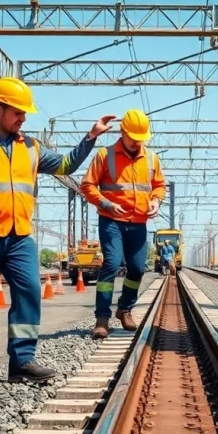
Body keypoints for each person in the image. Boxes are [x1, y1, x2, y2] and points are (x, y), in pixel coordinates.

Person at [0, 76, 115, 390]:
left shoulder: (31, 147)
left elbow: (64, 166)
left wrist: (90, 137)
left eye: (24, 113)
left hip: (19, 236)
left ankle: (22, 361)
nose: (23, 118)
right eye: (18, 112)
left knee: (30, 292)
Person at [80, 108, 167, 339]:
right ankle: (101, 318)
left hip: (138, 222)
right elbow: (87, 186)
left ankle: (125, 309)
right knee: (111, 262)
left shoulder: (151, 158)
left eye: (141, 139)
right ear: (122, 132)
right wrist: (106, 203)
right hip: (111, 220)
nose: (137, 142)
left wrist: (156, 201)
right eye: (133, 138)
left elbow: (159, 185)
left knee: (137, 268)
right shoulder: (104, 155)